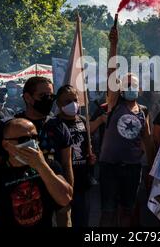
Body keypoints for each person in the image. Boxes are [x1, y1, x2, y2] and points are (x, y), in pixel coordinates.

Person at [0, 76, 73, 226]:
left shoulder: (58, 126)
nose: (48, 99)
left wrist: (68, 194)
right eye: (43, 96)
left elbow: (67, 164)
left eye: (51, 96)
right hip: (21, 198)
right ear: (27, 97)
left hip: (56, 190)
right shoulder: (10, 126)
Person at [99, 21, 154, 227]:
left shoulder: (144, 111)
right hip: (110, 168)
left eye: (134, 84)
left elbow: (148, 142)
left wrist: (151, 170)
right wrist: (114, 45)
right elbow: (112, 72)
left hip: (133, 169)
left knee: (127, 212)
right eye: (126, 84)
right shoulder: (114, 103)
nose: (130, 86)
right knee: (107, 212)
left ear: (139, 90)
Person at [0, 118, 72, 227]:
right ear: (6, 145)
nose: (32, 143)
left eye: (35, 138)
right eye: (24, 139)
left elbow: (66, 199)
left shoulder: (51, 166)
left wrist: (41, 166)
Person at [53, 85, 105, 227]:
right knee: (64, 220)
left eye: (75, 100)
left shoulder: (82, 120)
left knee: (82, 219)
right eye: (67, 101)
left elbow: (88, 146)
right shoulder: (54, 124)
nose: (73, 104)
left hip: (82, 180)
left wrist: (91, 157)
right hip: (62, 181)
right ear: (58, 103)